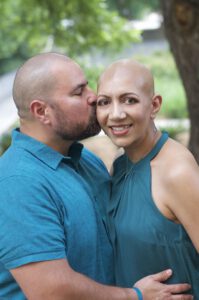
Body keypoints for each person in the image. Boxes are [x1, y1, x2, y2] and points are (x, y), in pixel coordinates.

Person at [0, 53, 192, 300]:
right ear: (42, 111)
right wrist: (135, 296)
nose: (93, 96)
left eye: (88, 85)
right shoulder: (17, 182)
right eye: (78, 92)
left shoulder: (88, 161)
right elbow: (51, 291)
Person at [96, 58, 199, 297]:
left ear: (154, 105)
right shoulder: (121, 165)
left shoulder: (177, 172)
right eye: (104, 102)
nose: (116, 114)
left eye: (129, 100)